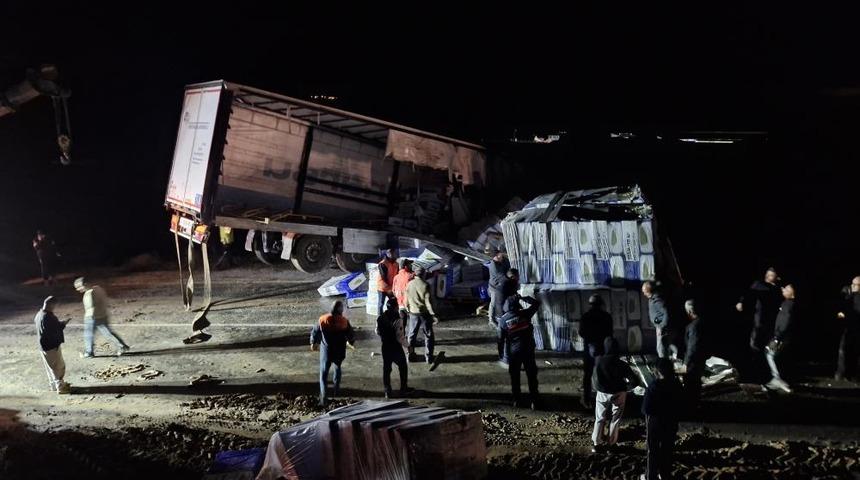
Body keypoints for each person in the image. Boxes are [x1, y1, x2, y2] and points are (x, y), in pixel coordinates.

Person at [591, 336, 639, 453]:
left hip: (602, 393)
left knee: (600, 417)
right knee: (615, 418)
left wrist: (599, 389)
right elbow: (635, 381)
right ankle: (611, 444)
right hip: (619, 393)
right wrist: (625, 389)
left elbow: (594, 380)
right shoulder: (622, 364)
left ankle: (597, 444)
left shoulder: (599, 362)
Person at [641, 358, 683, 480]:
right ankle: (665, 474)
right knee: (667, 448)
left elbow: (646, 409)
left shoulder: (654, 386)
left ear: (657, 372)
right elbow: (681, 404)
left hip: (654, 421)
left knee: (652, 450)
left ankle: (650, 476)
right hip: (671, 421)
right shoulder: (677, 385)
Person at [499, 294, 542, 409]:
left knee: (515, 377)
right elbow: (537, 304)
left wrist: (501, 354)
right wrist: (524, 298)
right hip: (528, 351)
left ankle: (517, 400)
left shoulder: (503, 320)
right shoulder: (525, 314)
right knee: (532, 376)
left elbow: (501, 339)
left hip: (514, 353)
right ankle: (535, 401)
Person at [311, 300, 355, 406]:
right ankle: (336, 390)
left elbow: (315, 331)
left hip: (326, 351)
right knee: (337, 368)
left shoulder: (323, 319)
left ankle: (324, 398)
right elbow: (351, 334)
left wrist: (313, 342)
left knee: (323, 374)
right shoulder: (344, 321)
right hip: (339, 350)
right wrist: (351, 342)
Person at [74, 277, 129, 358]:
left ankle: (89, 353)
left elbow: (90, 307)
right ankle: (122, 346)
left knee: (88, 335)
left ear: (85, 284)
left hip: (92, 317)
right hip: (103, 314)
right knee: (108, 333)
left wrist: (88, 318)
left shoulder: (89, 294)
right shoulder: (98, 289)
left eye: (79, 287)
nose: (78, 289)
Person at [579, 293, 614, 409]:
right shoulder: (607, 316)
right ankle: (605, 401)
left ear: (590, 304)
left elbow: (581, 333)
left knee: (587, 375)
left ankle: (586, 399)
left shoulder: (585, 316)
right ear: (601, 304)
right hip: (602, 350)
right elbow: (610, 333)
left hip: (589, 349)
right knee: (603, 374)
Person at [376, 297, 412, 398]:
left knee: (386, 369)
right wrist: (408, 346)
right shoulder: (397, 320)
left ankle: (387, 391)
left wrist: (385, 336)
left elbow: (377, 331)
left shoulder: (380, 317)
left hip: (385, 347)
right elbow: (400, 337)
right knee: (403, 366)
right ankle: (404, 389)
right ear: (395, 307)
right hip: (395, 347)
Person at [763, 284, 796, 393]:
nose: (783, 289)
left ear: (792, 293)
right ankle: (777, 381)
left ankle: (777, 379)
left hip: (781, 336)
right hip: (782, 336)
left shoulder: (788, 304)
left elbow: (786, 321)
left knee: (769, 354)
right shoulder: (788, 303)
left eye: (787, 289)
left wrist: (777, 337)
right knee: (772, 355)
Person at [34, 296, 71, 394]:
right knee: (58, 367)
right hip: (51, 346)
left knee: (50, 367)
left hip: (43, 346)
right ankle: (61, 387)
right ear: (52, 305)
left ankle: (53, 386)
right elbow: (56, 328)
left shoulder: (39, 314)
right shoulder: (49, 317)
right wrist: (64, 323)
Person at [405, 264, 438, 364]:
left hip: (413, 313)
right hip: (424, 314)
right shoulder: (425, 285)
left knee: (411, 335)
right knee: (428, 335)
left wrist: (408, 308)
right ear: (423, 274)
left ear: (415, 274)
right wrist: (433, 314)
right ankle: (429, 357)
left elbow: (406, 299)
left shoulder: (409, 284)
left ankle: (410, 356)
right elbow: (428, 302)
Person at [642, 281, 678, 359]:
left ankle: (663, 363)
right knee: (669, 343)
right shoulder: (652, 298)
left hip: (662, 327)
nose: (643, 293)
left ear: (649, 291)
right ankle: (680, 355)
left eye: (644, 291)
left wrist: (662, 326)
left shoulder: (657, 300)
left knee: (660, 347)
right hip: (660, 325)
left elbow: (666, 312)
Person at [836, 277, 860, 381]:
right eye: (852, 284)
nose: (852, 286)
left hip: (857, 328)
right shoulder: (849, 295)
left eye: (856, 284)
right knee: (843, 350)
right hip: (848, 328)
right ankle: (841, 373)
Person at [495, 268, 521, 366]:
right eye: (517, 277)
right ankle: (506, 359)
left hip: (500, 314)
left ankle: (502, 356)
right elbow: (511, 300)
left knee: (502, 338)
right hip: (505, 315)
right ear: (512, 277)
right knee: (509, 337)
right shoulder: (509, 284)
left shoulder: (503, 282)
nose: (518, 279)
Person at [683, 299, 706, 406]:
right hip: (700, 358)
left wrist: (686, 363)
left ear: (690, 312)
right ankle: (695, 403)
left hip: (694, 361)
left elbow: (693, 347)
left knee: (691, 383)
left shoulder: (694, 326)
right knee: (696, 382)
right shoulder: (702, 322)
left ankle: (692, 405)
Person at [487, 247, 510, 327]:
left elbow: (509, 268)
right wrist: (510, 276)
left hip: (503, 284)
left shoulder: (504, 260)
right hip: (494, 286)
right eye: (497, 257)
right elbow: (500, 276)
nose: (499, 257)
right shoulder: (493, 265)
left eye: (499, 255)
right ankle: (491, 320)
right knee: (493, 303)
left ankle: (504, 317)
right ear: (494, 258)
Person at [376, 248, 399, 316]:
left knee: (393, 303)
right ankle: (380, 318)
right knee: (381, 304)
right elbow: (383, 277)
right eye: (390, 253)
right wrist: (389, 289)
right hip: (382, 287)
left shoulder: (396, 264)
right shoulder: (383, 264)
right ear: (387, 254)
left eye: (393, 253)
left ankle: (393, 316)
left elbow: (397, 276)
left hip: (391, 287)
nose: (392, 254)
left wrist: (394, 287)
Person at [392, 259, 414, 325]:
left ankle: (402, 335)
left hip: (400, 304)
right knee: (413, 324)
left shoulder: (396, 277)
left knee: (402, 324)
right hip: (409, 304)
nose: (411, 266)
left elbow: (393, 291)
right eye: (410, 265)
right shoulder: (410, 276)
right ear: (405, 267)